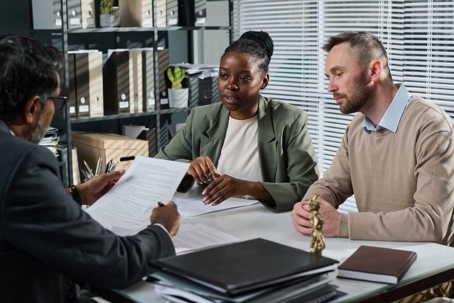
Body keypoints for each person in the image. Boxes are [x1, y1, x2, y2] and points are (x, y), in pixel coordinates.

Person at [0, 35, 180, 303]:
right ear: (32, 108)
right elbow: (116, 263)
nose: (55, 111)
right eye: (56, 102)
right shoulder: (23, 162)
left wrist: (76, 194)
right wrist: (161, 229)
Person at [291, 31, 454, 244]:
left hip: (428, 270)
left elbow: (430, 223)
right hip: (374, 257)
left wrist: (341, 224)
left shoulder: (431, 125)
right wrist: (309, 208)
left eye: (338, 74)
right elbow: (331, 185)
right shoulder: (356, 128)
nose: (330, 87)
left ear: (374, 71)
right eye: (329, 78)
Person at [155, 31, 319, 212]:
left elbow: (307, 188)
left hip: (266, 221)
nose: (230, 85)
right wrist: (186, 167)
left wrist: (249, 188)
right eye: (224, 75)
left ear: (264, 81)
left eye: (244, 78)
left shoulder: (289, 120)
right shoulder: (202, 118)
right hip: (211, 217)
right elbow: (156, 166)